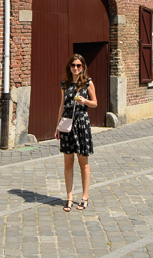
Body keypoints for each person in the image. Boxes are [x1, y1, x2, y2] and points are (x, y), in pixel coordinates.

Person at [55, 53, 96, 212]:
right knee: (68, 162)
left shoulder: (88, 83)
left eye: (79, 65)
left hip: (81, 123)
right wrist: (57, 126)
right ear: (69, 67)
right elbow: (62, 106)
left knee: (82, 162)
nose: (76, 68)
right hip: (67, 123)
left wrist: (84, 101)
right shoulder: (65, 84)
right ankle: (69, 198)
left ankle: (84, 197)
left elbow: (95, 103)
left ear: (83, 67)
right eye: (73, 65)